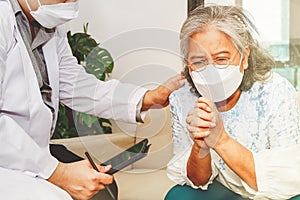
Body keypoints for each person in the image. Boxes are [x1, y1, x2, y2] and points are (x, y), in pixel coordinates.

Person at [0, 0, 185, 199]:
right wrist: (58, 173)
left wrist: (146, 98)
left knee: (103, 190)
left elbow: (73, 82)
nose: (69, 2)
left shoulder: (48, 22)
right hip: (7, 157)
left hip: (34, 153)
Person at [165, 5, 300, 200]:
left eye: (221, 59)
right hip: (224, 190)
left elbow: (286, 179)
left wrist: (220, 139)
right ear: (188, 64)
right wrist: (201, 146)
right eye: (199, 62)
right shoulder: (181, 98)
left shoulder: (275, 91)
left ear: (244, 57)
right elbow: (198, 180)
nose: (211, 73)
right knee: (178, 195)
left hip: (274, 192)